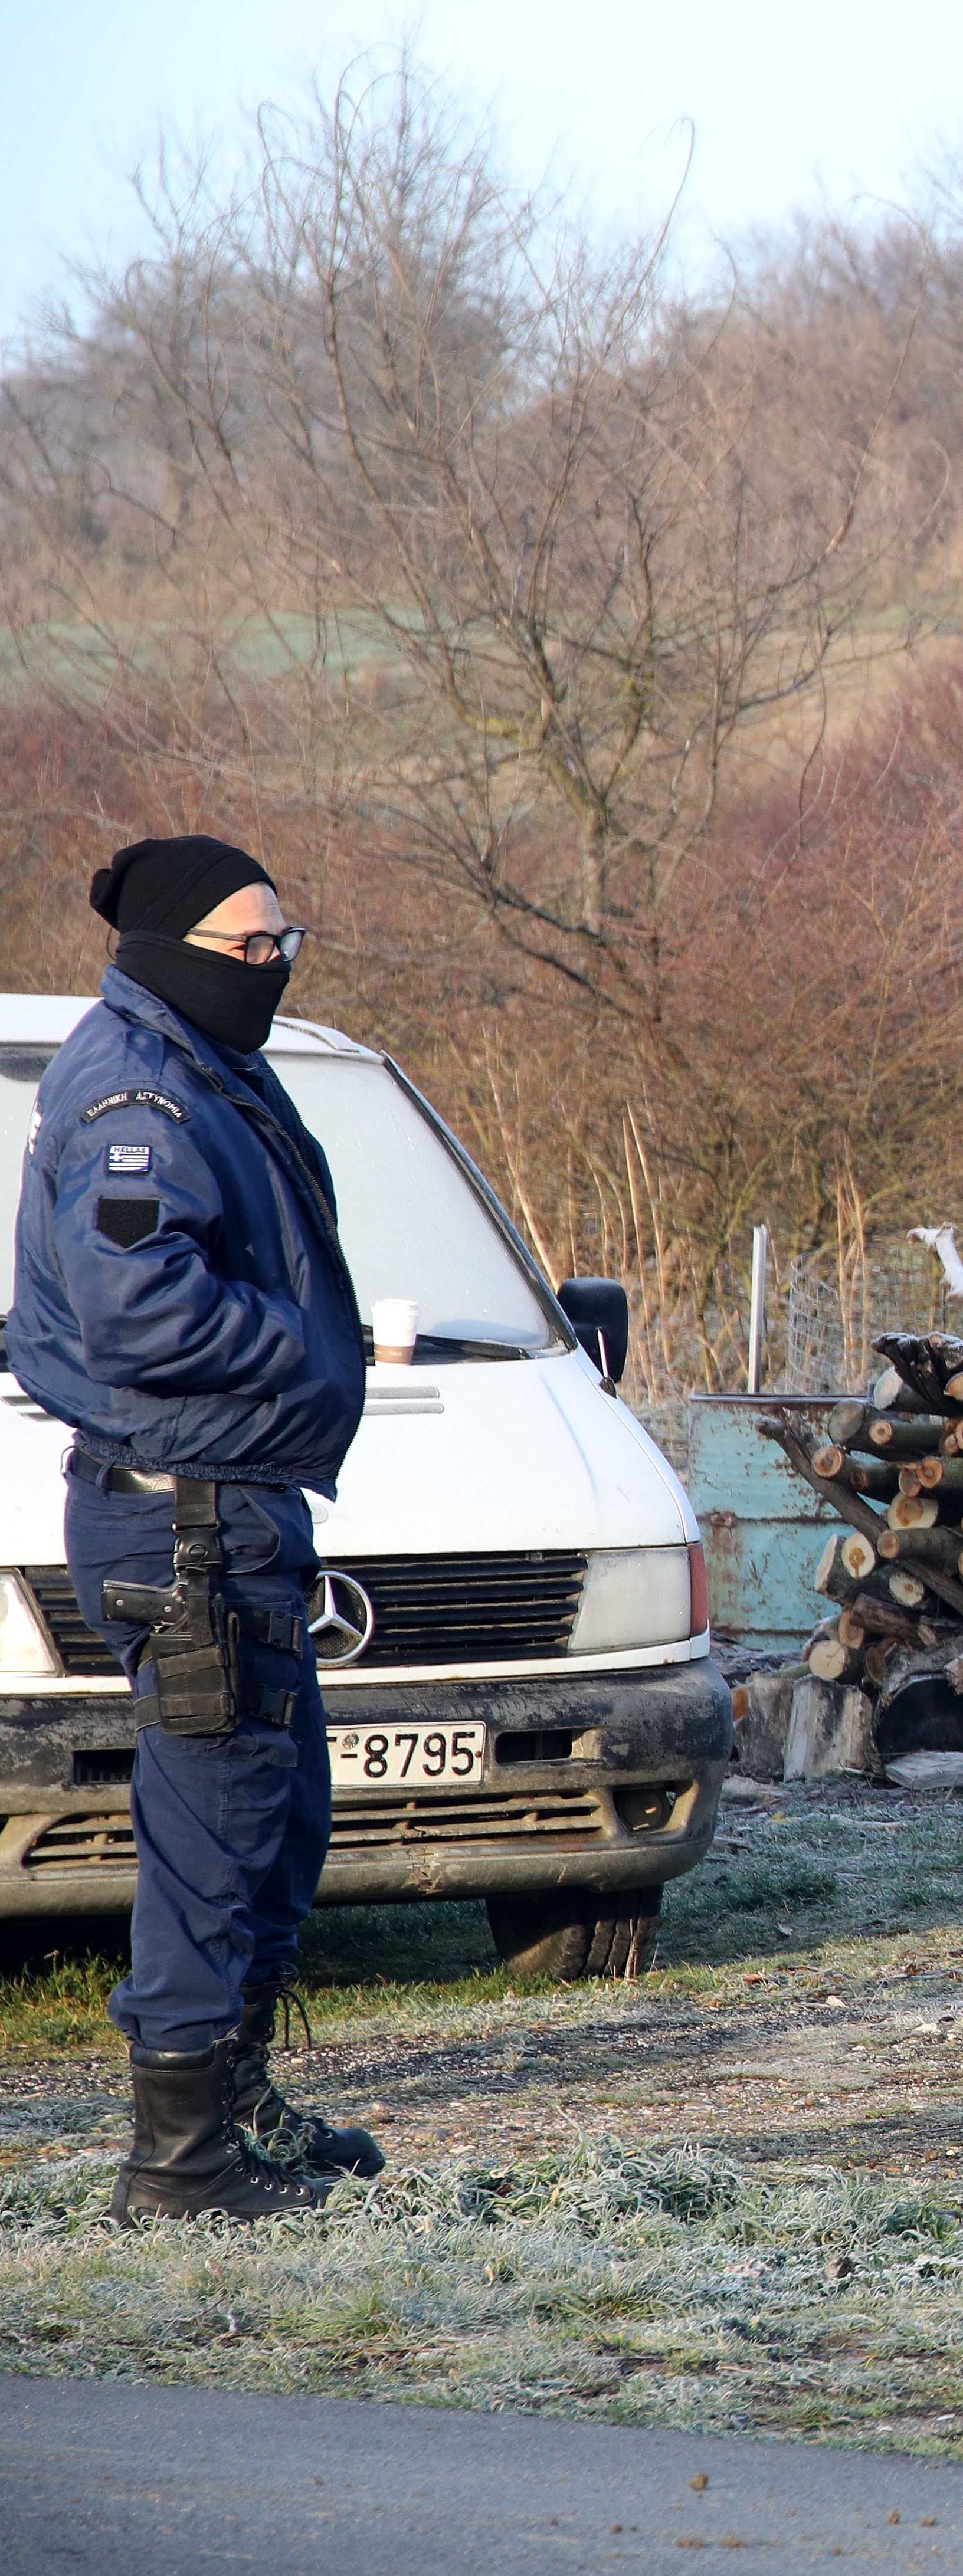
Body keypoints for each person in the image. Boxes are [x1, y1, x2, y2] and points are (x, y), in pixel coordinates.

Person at [13, 837, 379, 2221]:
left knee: (277, 1821)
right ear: (177, 951)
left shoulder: (199, 1059)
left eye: (289, 940)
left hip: (232, 1509)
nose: (276, 966)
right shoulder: (139, 1087)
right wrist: (301, 1346)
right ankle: (176, 2165)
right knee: (214, 1834)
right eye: (252, 945)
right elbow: (139, 1309)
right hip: (187, 1521)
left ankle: (236, 2103)